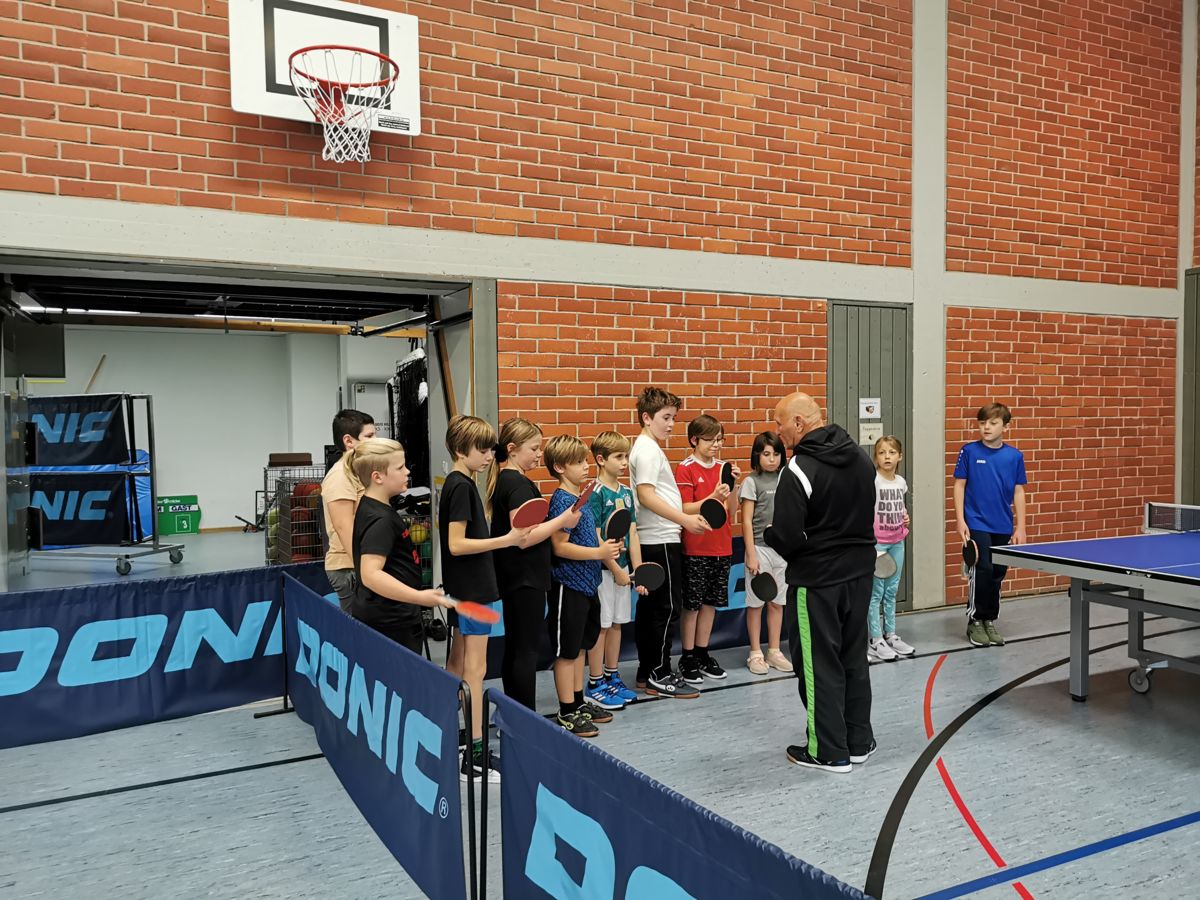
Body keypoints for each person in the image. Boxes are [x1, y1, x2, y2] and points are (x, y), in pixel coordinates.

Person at [765, 391, 876, 774]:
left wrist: (771, 533)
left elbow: (788, 536)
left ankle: (829, 750)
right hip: (860, 576)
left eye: (780, 423)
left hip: (817, 582)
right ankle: (858, 742)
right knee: (853, 658)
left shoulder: (798, 469)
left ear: (798, 423)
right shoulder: (860, 457)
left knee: (817, 665)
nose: (777, 431)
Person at [440, 415, 529, 783]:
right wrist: (506, 540)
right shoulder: (461, 487)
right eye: (483, 449)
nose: (490, 455)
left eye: (492, 449)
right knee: (475, 673)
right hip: (473, 591)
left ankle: (445, 736)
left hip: (465, 589)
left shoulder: (457, 483)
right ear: (462, 451)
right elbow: (456, 544)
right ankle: (474, 757)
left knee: (456, 666)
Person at [487, 418, 581, 711]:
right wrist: (563, 520)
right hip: (524, 578)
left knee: (517, 646)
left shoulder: (509, 480)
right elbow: (524, 538)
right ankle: (524, 716)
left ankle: (515, 712)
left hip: (518, 577)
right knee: (525, 650)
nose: (540, 454)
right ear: (512, 449)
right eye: (534, 448)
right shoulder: (516, 484)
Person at [628, 387, 707, 699]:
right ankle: (659, 674)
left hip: (657, 538)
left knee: (652, 610)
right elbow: (646, 496)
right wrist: (684, 520)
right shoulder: (647, 450)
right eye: (666, 417)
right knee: (665, 608)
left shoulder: (648, 447)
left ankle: (647, 671)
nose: (672, 424)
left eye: (674, 417)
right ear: (647, 418)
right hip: (659, 539)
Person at [543, 435, 621, 736]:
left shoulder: (581, 497)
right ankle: (566, 711)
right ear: (560, 467)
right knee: (567, 652)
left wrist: (607, 552)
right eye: (578, 462)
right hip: (569, 585)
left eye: (585, 460)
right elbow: (559, 546)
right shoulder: (562, 501)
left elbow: (590, 538)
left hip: (588, 585)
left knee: (579, 648)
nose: (585, 466)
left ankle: (577, 703)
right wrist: (599, 554)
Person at [345, 438, 455, 651]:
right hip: (390, 623)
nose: (407, 472)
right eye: (400, 468)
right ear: (377, 477)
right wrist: (419, 597)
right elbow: (370, 574)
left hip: (391, 617)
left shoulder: (372, 505)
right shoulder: (381, 520)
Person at [954, 402, 1028, 648]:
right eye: (982, 423)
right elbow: (959, 486)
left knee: (997, 573)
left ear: (1006, 426)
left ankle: (989, 620)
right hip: (977, 522)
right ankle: (975, 619)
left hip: (1002, 525)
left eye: (993, 423)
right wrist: (960, 520)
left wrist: (1020, 527)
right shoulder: (969, 451)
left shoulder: (1015, 456)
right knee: (982, 569)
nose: (986, 427)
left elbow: (1018, 492)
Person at [675, 414, 739, 684]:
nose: (716, 445)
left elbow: (731, 511)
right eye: (710, 440)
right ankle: (687, 656)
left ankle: (702, 653)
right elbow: (683, 508)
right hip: (696, 548)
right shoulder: (686, 468)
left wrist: (733, 487)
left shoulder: (724, 467)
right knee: (692, 606)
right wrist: (713, 496)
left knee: (711, 604)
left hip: (722, 547)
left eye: (720, 439)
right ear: (694, 440)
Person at [584, 431, 645, 710]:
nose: (624, 462)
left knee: (618, 624)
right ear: (600, 459)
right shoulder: (595, 493)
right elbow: (596, 536)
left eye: (626, 456)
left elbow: (632, 532)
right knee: (602, 626)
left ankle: (612, 676)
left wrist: (638, 569)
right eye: (619, 457)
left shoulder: (627, 493)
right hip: (603, 572)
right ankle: (595, 683)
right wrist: (615, 569)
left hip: (623, 570)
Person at [739, 431, 793, 676]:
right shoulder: (752, 482)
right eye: (766, 454)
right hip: (759, 550)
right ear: (757, 456)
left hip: (782, 551)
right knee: (756, 604)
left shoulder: (787, 479)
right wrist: (751, 554)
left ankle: (774, 651)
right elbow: (746, 521)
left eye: (776, 454)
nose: (772, 459)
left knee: (777, 603)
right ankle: (755, 653)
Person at [321, 409, 375, 611]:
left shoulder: (358, 471)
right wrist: (366, 570)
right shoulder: (340, 477)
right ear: (349, 441)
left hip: (361, 562)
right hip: (348, 567)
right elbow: (345, 528)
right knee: (356, 625)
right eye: (369, 436)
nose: (376, 441)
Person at [867, 436, 915, 662]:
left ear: (900, 456)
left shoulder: (901, 482)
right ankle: (875, 639)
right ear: (876, 457)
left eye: (892, 452)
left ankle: (891, 634)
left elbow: (900, 507)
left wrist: (905, 517)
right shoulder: (873, 481)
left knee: (891, 590)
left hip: (897, 541)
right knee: (876, 592)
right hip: (878, 543)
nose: (887, 457)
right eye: (882, 453)